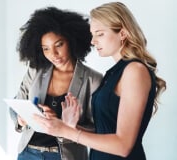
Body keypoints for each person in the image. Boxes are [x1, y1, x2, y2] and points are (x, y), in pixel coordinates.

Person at [34, 2, 167, 160]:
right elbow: (105, 133)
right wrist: (70, 125)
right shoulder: (114, 73)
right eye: (93, 34)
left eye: (100, 34)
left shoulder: (135, 71)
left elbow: (123, 146)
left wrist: (66, 132)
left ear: (122, 33)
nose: (93, 41)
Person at [9, 6, 103, 160]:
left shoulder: (93, 80)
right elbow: (17, 105)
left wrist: (63, 124)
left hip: (65, 155)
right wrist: (21, 119)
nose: (53, 54)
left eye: (59, 45)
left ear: (71, 41)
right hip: (28, 153)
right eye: (45, 49)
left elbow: (98, 128)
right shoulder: (35, 70)